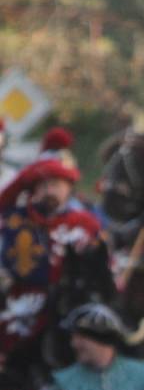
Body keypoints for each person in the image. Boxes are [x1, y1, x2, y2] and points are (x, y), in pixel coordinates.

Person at [0, 142, 102, 366]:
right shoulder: (15, 219)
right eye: (42, 185)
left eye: (55, 184)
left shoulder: (84, 224)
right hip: (20, 304)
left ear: (69, 187)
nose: (49, 191)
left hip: (69, 307)